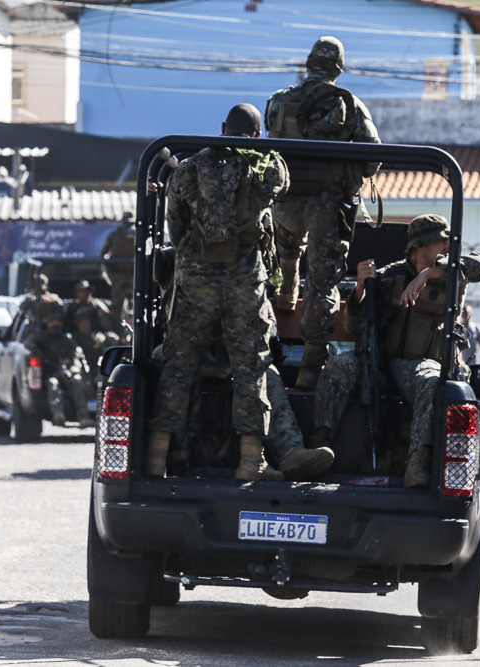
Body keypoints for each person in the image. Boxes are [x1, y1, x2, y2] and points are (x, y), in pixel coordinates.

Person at [148, 103, 290, 482]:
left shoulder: (189, 168)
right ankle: (250, 462)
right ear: (257, 135)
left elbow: (175, 228)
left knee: (178, 365)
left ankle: (156, 458)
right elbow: (282, 182)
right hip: (244, 281)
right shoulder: (264, 167)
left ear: (223, 127)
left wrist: (196, 254)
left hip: (195, 279)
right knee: (251, 367)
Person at [311, 214, 480, 488]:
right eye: (441, 242)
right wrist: (360, 287)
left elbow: (479, 265)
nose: (447, 247)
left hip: (423, 365)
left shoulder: (454, 275)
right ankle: (319, 444)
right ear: (421, 244)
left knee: (431, 382)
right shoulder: (388, 276)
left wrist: (430, 273)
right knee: (339, 364)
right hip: (382, 363)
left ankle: (417, 463)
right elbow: (353, 325)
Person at [152, 245, 334, 477]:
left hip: (235, 355)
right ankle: (170, 454)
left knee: (266, 375)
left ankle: (290, 451)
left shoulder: (249, 259)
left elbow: (262, 326)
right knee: (165, 358)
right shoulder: (178, 258)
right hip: (189, 353)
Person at [265, 35, 381, 389]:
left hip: (285, 204)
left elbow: (269, 147)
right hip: (328, 208)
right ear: (338, 68)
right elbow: (372, 158)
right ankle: (311, 366)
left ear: (308, 64)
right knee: (322, 283)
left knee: (286, 244)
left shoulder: (280, 102)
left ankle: (285, 285)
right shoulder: (350, 104)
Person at [23, 300, 95, 428]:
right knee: (53, 385)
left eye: (58, 322)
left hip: (67, 372)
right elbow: (28, 343)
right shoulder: (42, 336)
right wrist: (38, 352)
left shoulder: (66, 338)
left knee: (78, 383)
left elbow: (76, 354)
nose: (55, 324)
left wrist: (72, 370)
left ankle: (83, 417)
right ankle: (58, 414)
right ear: (48, 323)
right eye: (52, 322)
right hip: (51, 371)